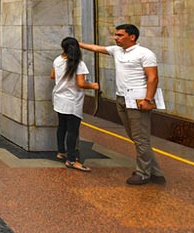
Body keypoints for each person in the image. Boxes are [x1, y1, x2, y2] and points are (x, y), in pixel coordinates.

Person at [79, 24, 165, 185]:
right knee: (135, 137)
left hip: (138, 100)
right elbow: (97, 48)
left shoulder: (145, 54)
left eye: (119, 35)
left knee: (141, 139)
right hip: (122, 98)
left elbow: (153, 78)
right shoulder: (117, 51)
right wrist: (78, 44)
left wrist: (148, 100)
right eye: (116, 35)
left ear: (132, 37)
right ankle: (155, 172)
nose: (116, 38)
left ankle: (143, 173)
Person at [51, 37, 99, 172]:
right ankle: (71, 160)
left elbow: (52, 76)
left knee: (62, 127)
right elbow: (81, 83)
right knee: (72, 131)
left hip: (59, 98)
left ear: (63, 48)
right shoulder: (79, 64)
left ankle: (61, 152)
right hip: (72, 101)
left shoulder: (58, 60)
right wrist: (93, 85)